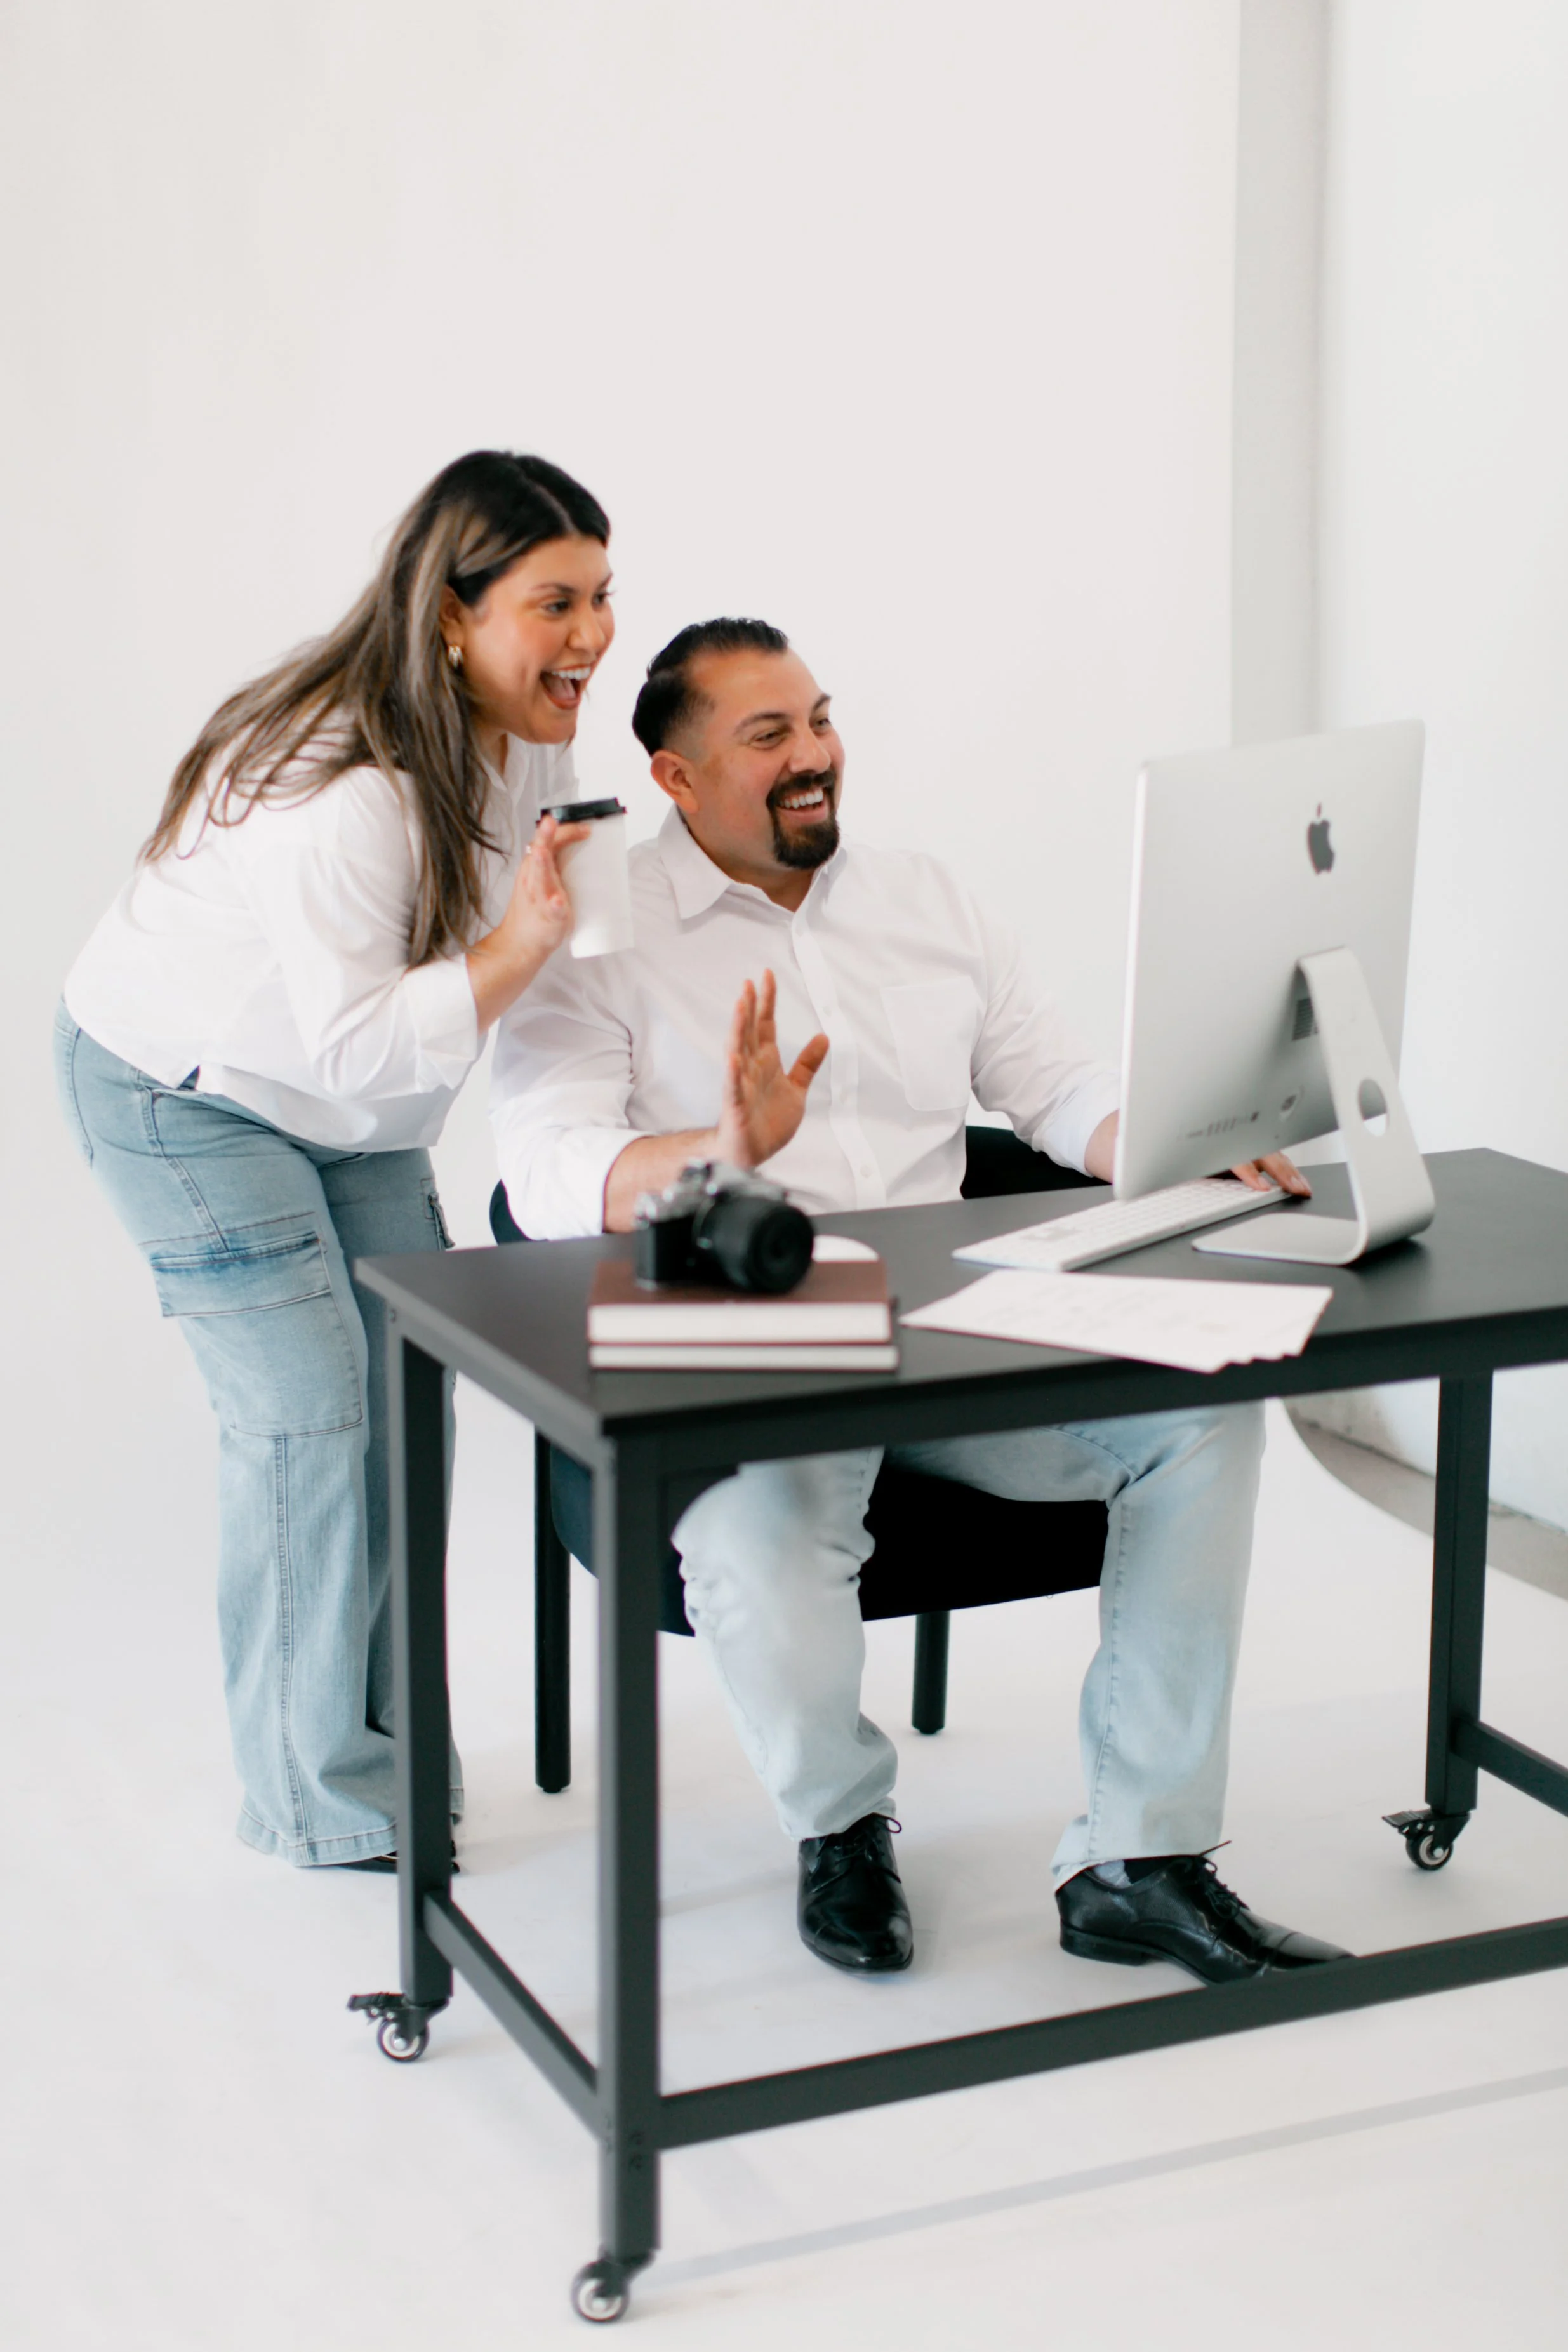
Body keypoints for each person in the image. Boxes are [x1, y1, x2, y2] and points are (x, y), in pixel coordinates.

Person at [491, 616, 1352, 1986]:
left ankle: (1139, 1860)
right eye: (766, 736)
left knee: (1202, 1424)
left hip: (957, 1344)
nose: (814, 755)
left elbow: (1050, 1084)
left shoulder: (923, 896)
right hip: (758, 1345)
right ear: (673, 776)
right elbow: (538, 1177)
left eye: (818, 719)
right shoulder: (597, 933)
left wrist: (1175, 1136)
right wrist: (721, 1149)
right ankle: (837, 1825)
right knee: (762, 1535)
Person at [56, 451, 615, 1870]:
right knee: (310, 1421)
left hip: (352, 1112)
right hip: (188, 1100)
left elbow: (495, 963)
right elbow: (375, 1037)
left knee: (401, 1409)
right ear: (451, 611)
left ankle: (379, 1749)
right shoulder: (338, 783)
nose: (593, 636)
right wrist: (521, 948)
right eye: (556, 601)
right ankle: (316, 1796)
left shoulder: (517, 730)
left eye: (602, 596)